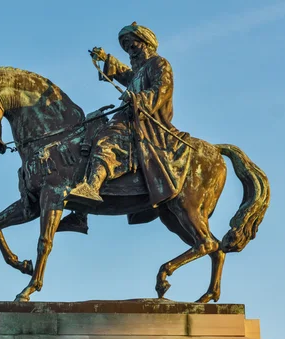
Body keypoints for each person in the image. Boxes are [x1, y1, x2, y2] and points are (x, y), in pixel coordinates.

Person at [58, 22, 191, 233]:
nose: (129, 49)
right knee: (90, 126)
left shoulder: (159, 64)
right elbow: (127, 75)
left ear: (145, 43)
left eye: (131, 44)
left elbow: (163, 89)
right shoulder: (140, 71)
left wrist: (139, 98)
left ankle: (92, 188)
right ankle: (80, 214)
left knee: (106, 140)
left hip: (144, 122)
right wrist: (106, 59)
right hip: (128, 116)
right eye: (126, 46)